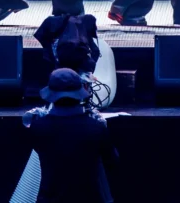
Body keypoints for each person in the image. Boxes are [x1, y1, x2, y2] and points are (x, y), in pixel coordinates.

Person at [23, 68, 116, 203]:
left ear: (51, 95)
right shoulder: (96, 128)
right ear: (80, 94)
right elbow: (112, 161)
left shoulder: (38, 127)